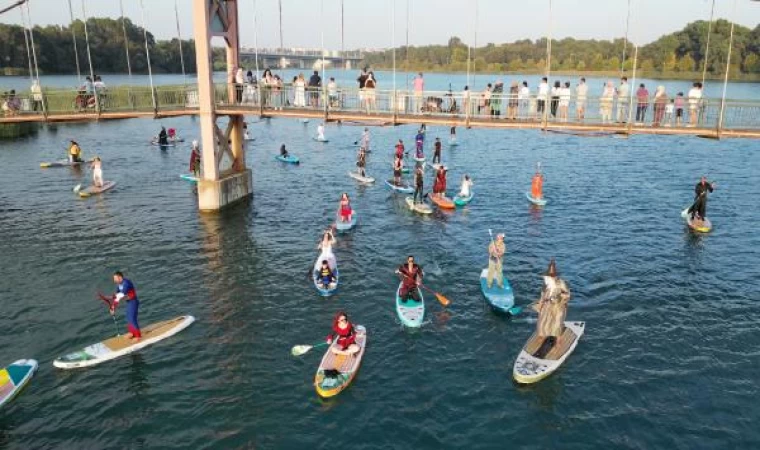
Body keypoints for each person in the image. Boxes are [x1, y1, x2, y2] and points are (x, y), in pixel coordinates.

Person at [529, 259, 571, 358]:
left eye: (548, 277)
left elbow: (567, 294)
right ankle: (542, 335)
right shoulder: (546, 285)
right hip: (547, 306)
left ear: (554, 277)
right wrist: (540, 303)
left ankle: (558, 341)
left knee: (556, 325)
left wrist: (558, 298)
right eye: (546, 277)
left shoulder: (561, 283)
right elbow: (542, 295)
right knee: (542, 322)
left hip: (557, 307)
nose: (546, 278)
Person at [109, 271, 141, 340]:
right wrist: (113, 307)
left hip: (133, 302)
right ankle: (132, 333)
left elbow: (121, 295)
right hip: (129, 302)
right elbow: (117, 297)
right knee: (128, 318)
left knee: (132, 318)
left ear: (120, 277)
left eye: (115, 279)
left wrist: (112, 299)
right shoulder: (119, 285)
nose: (114, 281)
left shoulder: (127, 283)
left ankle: (138, 336)